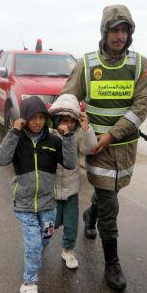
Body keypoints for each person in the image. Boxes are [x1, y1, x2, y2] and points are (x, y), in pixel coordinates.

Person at [62, 4, 147, 291]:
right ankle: (112, 263)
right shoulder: (87, 64)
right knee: (110, 202)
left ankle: (91, 215)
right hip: (96, 148)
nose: (120, 35)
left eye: (125, 30)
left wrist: (113, 134)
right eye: (115, 29)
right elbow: (68, 99)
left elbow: (142, 106)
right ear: (104, 31)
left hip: (124, 147)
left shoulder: (139, 64)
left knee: (111, 191)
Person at [0, 96, 77, 293]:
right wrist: (14, 131)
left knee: (46, 237)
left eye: (41, 117)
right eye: (33, 118)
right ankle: (29, 284)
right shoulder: (17, 139)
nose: (38, 122)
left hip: (48, 204)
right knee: (33, 244)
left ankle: (33, 255)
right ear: (25, 118)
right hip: (24, 204)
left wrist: (67, 138)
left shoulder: (53, 141)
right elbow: (1, 159)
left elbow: (70, 163)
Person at [49, 94, 97, 269]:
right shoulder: (49, 134)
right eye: (64, 119)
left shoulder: (78, 133)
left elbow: (89, 149)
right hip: (51, 189)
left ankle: (68, 250)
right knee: (50, 221)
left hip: (71, 188)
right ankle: (41, 241)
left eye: (72, 120)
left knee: (71, 222)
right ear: (57, 119)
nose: (68, 124)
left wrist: (87, 129)